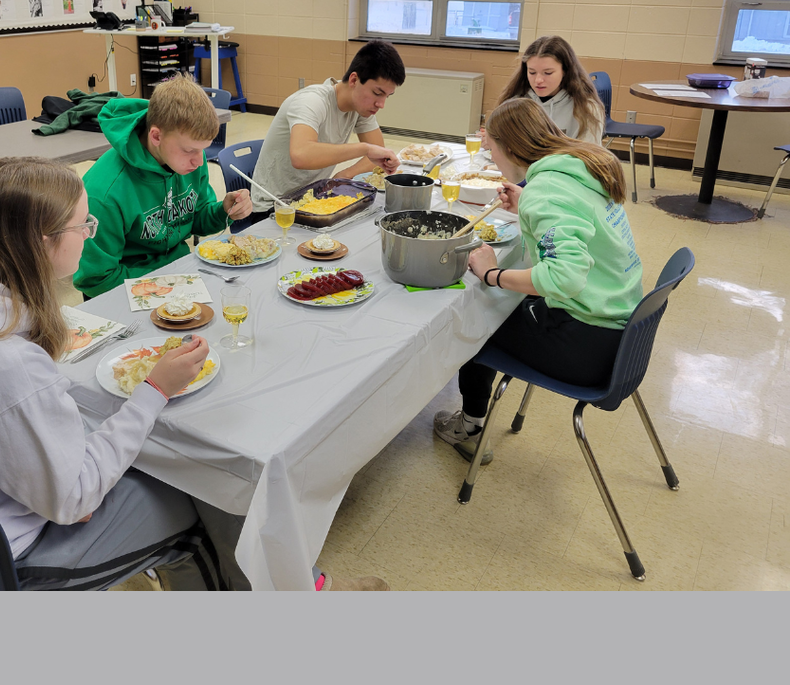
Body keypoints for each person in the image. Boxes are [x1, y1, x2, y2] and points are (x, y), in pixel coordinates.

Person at [0, 156, 246, 590]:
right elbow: (75, 501)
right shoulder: (6, 363)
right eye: (83, 225)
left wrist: (66, 482)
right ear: (43, 241)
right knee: (200, 495)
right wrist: (155, 390)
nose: (90, 232)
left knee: (125, 457)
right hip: (2, 556)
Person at [433, 98, 642, 464]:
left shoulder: (547, 191)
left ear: (511, 148)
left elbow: (564, 278)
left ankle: (470, 427)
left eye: (492, 150)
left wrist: (491, 273)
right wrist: (528, 201)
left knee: (474, 318)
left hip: (589, 345)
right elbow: (577, 222)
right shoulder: (580, 165)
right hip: (622, 331)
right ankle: (473, 417)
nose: (493, 158)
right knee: (501, 303)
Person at [74, 74, 254, 297]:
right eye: (189, 150)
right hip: (125, 290)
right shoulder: (105, 193)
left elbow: (196, 219)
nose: (199, 161)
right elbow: (96, 279)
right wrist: (168, 283)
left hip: (178, 275)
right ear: (156, 136)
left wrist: (223, 211)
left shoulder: (189, 162)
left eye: (203, 149)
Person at [245, 40, 405, 223]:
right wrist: (365, 149)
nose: (381, 104)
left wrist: (344, 175)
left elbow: (378, 154)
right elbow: (301, 155)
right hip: (273, 208)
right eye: (377, 93)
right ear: (354, 80)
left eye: (387, 96)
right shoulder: (311, 101)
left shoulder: (361, 108)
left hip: (313, 200)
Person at [495, 35, 605, 144]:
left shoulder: (587, 109)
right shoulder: (515, 102)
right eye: (532, 72)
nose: (538, 80)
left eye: (548, 73)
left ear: (565, 71)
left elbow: (588, 153)